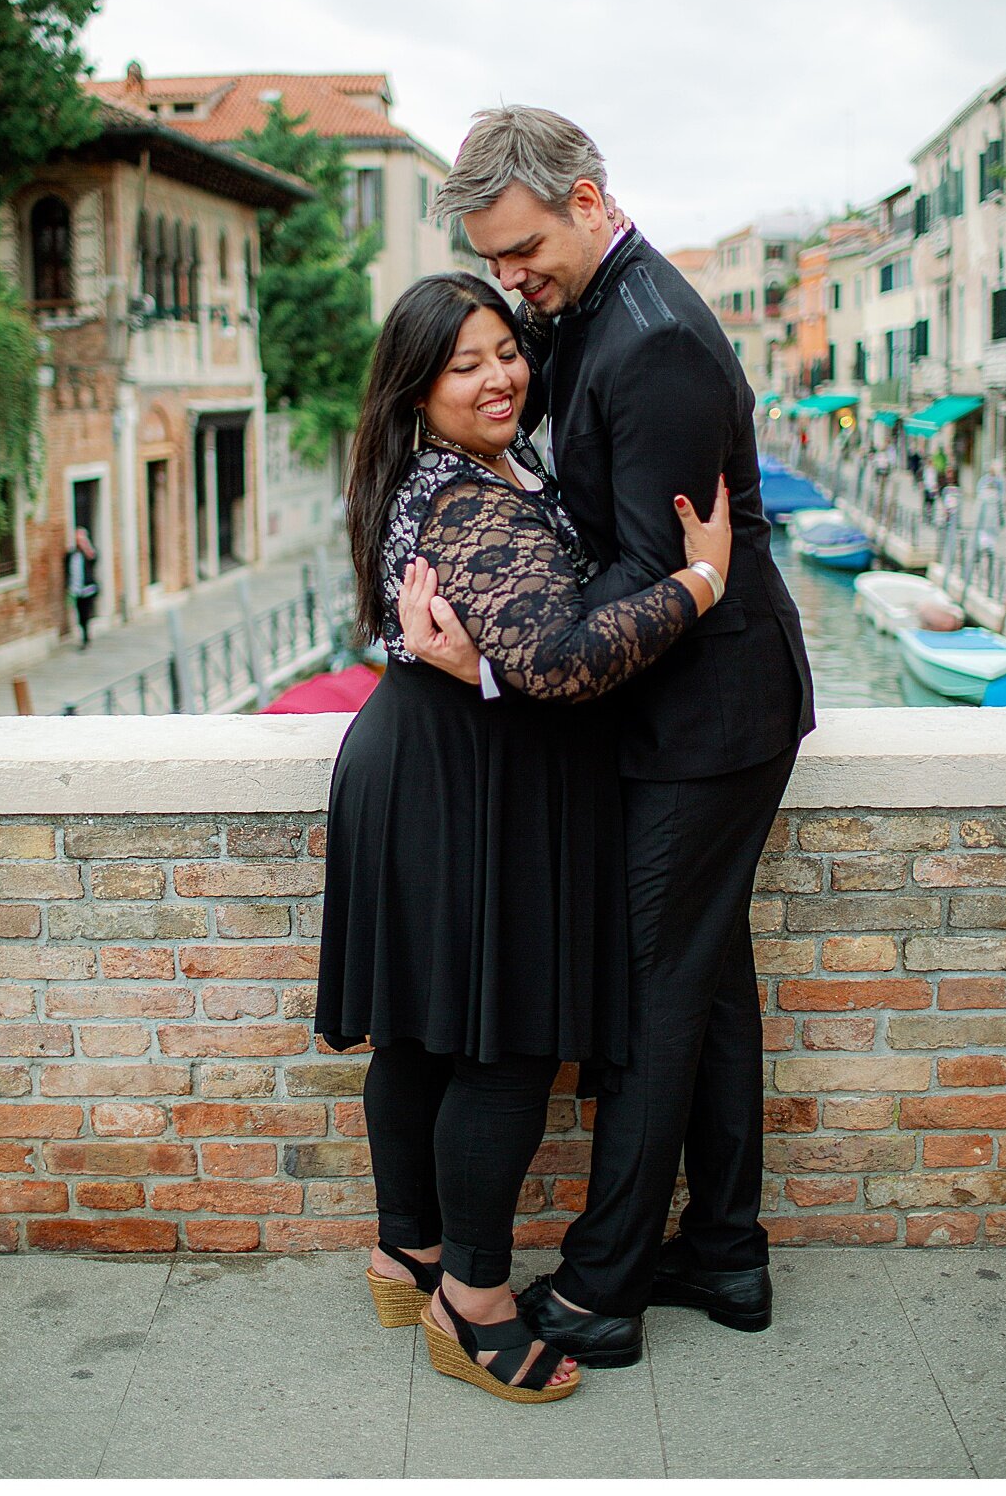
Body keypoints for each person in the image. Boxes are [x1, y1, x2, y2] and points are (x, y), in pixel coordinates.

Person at [400, 106, 814, 1367]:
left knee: (648, 995)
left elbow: (652, 569)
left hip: (708, 715)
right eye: (493, 258)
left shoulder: (657, 345)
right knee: (708, 983)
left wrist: (510, 660)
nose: (510, 282)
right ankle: (729, 1254)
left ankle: (604, 1289)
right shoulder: (588, 309)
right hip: (693, 711)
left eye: (522, 251)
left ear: (588, 197)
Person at [315, 271, 732, 1404]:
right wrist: (698, 585)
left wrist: (486, 664)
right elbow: (560, 661)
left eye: (507, 349)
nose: (499, 376)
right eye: (465, 364)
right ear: (416, 387)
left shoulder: (487, 466)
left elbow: (518, 653)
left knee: (420, 1034)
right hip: (463, 781)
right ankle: (475, 1303)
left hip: (435, 763)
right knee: (500, 1047)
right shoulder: (467, 499)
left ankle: (408, 1250)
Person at [64, 526, 98, 648]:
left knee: (85, 612)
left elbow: (94, 558)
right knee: (79, 614)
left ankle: (85, 637)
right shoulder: (70, 555)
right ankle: (85, 634)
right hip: (76, 590)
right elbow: (67, 572)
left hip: (88, 589)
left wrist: (85, 544)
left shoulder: (88, 554)